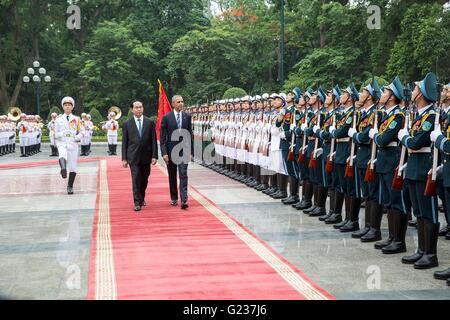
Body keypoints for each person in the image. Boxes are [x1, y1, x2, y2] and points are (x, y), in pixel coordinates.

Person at [121, 101, 158, 212]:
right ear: (132, 109)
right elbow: (125, 142)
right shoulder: (127, 123)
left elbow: (153, 140)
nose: (139, 109)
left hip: (146, 156)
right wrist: (124, 158)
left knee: (144, 179)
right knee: (136, 179)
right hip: (133, 156)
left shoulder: (150, 122)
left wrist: (154, 156)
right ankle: (137, 202)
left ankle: (142, 196)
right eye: (136, 107)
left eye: (140, 107)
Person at [160, 95, 193, 210]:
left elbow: (189, 135)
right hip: (170, 151)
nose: (181, 104)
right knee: (172, 175)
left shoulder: (187, 117)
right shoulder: (166, 118)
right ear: (173, 104)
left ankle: (184, 199)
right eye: (178, 102)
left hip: (184, 150)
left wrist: (190, 152)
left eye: (182, 101)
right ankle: (174, 197)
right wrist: (164, 153)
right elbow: (163, 137)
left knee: (183, 174)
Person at [55, 97, 84, 195]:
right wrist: (61, 133)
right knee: (62, 154)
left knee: (73, 167)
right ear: (63, 107)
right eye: (65, 105)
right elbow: (55, 133)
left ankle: (70, 186)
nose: (67, 107)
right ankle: (63, 169)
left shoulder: (77, 119)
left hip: (72, 143)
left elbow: (82, 131)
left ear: (72, 107)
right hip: (62, 142)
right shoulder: (58, 120)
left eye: (69, 105)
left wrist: (77, 137)